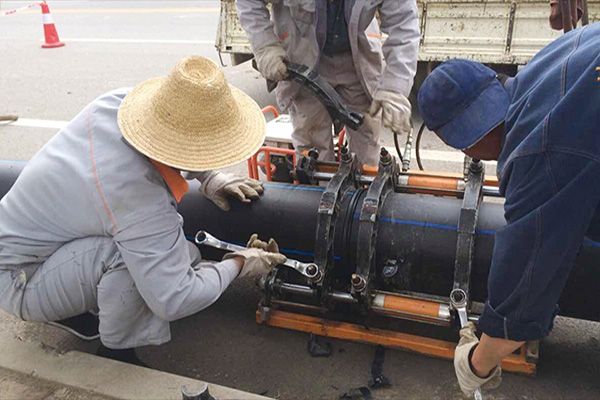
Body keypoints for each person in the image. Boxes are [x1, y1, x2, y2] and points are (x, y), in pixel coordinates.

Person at [0, 56, 287, 365]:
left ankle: (75, 303)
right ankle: (117, 354)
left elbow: (169, 140)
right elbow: (175, 299)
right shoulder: (136, 196)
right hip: (19, 278)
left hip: (35, 245)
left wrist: (210, 177)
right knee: (133, 263)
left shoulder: (119, 105)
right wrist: (240, 263)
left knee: (184, 255)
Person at [417, 23, 600, 396]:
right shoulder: (547, 63)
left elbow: (525, 281)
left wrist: (477, 362)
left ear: (462, 141)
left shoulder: (537, 149)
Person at [237, 0, 420, 166]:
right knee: (313, 151)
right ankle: (318, 189)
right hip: (304, 59)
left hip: (357, 58)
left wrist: (395, 86)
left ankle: (364, 189)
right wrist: (265, 46)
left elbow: (403, 23)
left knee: (366, 146)